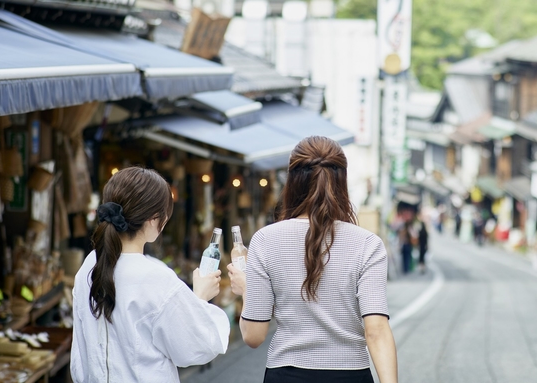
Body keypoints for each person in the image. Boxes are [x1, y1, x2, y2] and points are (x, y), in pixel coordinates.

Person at [227, 136, 398, 383]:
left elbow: (253, 336)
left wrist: (246, 289)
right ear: (342, 181)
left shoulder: (266, 239)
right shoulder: (368, 245)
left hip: (285, 374)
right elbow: (377, 330)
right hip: (350, 375)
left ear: (292, 182)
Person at [71, 167, 229, 382]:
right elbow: (197, 346)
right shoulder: (156, 278)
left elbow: (80, 355)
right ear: (154, 219)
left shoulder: (89, 266)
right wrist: (199, 298)